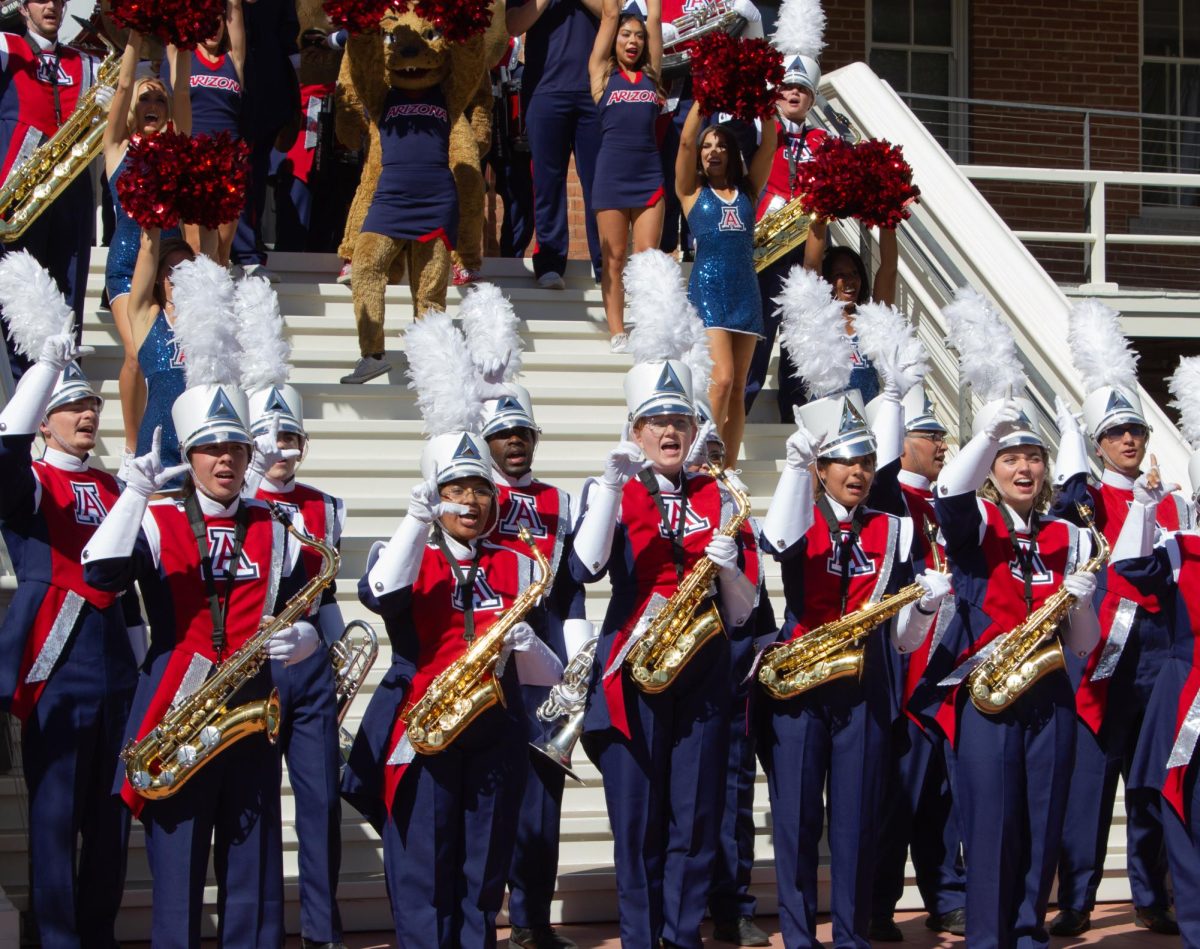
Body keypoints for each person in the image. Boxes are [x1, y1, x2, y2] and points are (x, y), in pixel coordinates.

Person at [341, 313, 563, 946]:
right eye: (457, 489)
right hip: (423, 726)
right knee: (420, 869)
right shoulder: (407, 550)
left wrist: (531, 646)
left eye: (480, 490)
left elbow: (544, 675)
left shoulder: (517, 560)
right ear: (435, 493)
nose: (472, 501)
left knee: (483, 870)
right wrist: (418, 518)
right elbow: (382, 592)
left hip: (496, 727)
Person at [82, 353, 316, 948]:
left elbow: (311, 603)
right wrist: (133, 496)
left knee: (254, 873)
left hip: (250, 708)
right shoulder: (158, 517)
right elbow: (101, 577)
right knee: (178, 871)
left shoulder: (276, 522)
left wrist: (304, 640)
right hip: (175, 709)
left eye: (236, 449)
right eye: (212, 450)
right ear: (189, 456)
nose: (225, 461)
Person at [571, 340, 759, 948]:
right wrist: (607, 485)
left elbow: (743, 608)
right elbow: (585, 566)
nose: (670, 432)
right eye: (657, 422)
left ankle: (681, 937)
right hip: (631, 671)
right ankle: (639, 938)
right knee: (636, 821)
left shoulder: (722, 493)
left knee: (696, 818)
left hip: (701, 668)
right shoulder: (616, 487)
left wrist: (731, 570)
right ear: (636, 430)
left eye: (681, 420)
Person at [756, 367, 949, 946]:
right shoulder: (801, 513)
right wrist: (794, 468)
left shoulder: (894, 529)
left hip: (864, 684)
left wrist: (923, 607)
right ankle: (797, 935)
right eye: (845, 461)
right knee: (796, 818)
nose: (860, 472)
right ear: (822, 469)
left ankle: (852, 934)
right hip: (798, 681)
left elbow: (905, 638)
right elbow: (778, 543)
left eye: (866, 461)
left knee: (857, 819)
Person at [913, 394, 1101, 948]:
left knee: (1043, 826)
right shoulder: (980, 521)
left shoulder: (1068, 536)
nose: (1024, 468)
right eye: (1011, 458)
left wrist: (1083, 603)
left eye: (1034, 457)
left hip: (1050, 694)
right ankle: (989, 937)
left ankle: (1027, 934)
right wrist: (989, 432)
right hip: (985, 696)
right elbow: (948, 490)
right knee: (992, 825)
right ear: (993, 470)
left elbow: (1082, 642)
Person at [1049, 307, 1189, 937]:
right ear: (1099, 442)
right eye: (1116, 433)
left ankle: (1150, 892)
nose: (1129, 441)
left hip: (1160, 657)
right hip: (1100, 658)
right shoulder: (1079, 499)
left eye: (1136, 431)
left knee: (1152, 784)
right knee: (1088, 789)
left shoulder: (1170, 501)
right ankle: (1076, 898)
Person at [0, 310, 138, 949]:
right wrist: (47, 369)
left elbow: (131, 592)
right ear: (47, 418)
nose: (89, 415)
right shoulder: (29, 481)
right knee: (54, 822)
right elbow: (5, 440)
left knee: (110, 821)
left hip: (115, 665)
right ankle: (57, 940)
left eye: (93, 405)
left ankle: (97, 935)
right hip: (54, 663)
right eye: (74, 406)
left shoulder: (115, 484)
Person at [481, 383, 587, 949]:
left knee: (544, 798)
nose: (514, 443)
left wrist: (576, 661)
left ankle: (532, 923)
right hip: (490, 656)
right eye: (502, 434)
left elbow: (571, 588)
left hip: (545, 650)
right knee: (489, 793)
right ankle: (477, 920)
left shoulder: (560, 501)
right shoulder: (471, 495)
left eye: (523, 433)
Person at [247, 383, 349, 949]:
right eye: (269, 436)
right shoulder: (235, 500)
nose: (280, 448)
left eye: (290, 437)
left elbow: (326, 594)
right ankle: (262, 930)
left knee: (322, 802)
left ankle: (320, 929)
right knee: (256, 802)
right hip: (253, 668)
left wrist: (332, 648)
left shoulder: (326, 505)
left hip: (310, 670)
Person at [866, 388, 967, 940]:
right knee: (895, 795)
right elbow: (880, 474)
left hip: (948, 669)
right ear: (902, 444)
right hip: (904, 668)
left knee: (942, 797)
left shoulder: (946, 501)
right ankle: (880, 904)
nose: (942, 445)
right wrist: (894, 400)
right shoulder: (889, 498)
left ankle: (948, 895)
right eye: (930, 436)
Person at [1109, 402, 1200, 946]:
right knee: (1183, 812)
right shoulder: (1183, 544)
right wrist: (1143, 511)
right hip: (1187, 688)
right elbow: (1128, 572)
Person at [695, 418, 774, 949]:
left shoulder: (736, 517)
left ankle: (732, 906)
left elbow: (756, 609)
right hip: (667, 674)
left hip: (727, 674)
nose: (711, 466)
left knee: (731, 796)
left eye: (718, 456)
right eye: (704, 456)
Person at [0, 0, 109, 380]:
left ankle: (62, 388)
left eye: (58, 0)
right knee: (20, 300)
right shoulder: (6, 46)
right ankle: (22, 391)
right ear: (23, 7)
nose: (51, 6)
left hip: (71, 190)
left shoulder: (86, 61)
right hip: (17, 195)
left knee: (68, 293)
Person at [103, 31, 190, 458]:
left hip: (171, 261)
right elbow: (122, 86)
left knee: (176, 357)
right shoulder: (117, 149)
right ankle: (132, 446)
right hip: (125, 262)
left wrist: (184, 43)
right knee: (137, 355)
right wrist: (135, 40)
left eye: (158, 99)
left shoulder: (178, 145)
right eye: (144, 100)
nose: (151, 105)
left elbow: (184, 94)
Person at [675, 102, 775, 467]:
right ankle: (701, 459)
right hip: (709, 292)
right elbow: (685, 142)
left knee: (738, 391)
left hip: (746, 293)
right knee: (721, 379)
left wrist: (762, 104)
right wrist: (704, 100)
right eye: (707, 147)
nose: (712, 152)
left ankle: (727, 469)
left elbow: (769, 146)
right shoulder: (690, 192)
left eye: (720, 146)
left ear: (733, 154)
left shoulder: (748, 192)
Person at [745, 55, 829, 419]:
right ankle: (740, 408)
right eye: (787, 87)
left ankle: (795, 415)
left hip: (805, 248)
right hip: (759, 247)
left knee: (799, 337)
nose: (794, 94)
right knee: (758, 333)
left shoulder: (824, 140)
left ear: (811, 99)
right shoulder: (757, 130)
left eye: (802, 89)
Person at [506, 0, 603, 290]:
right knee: (547, 182)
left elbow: (617, 10)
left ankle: (605, 264)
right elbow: (512, 25)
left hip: (594, 89)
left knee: (599, 183)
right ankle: (549, 262)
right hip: (545, 90)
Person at [588, 0, 663, 353]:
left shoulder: (653, 76)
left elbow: (657, 16)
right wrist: (613, 16)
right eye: (626, 35)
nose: (632, 41)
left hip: (649, 175)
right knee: (615, 257)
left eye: (638, 36)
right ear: (615, 39)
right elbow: (608, 14)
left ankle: (648, 325)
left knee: (648, 258)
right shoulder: (602, 75)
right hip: (611, 176)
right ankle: (618, 330)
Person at [231, 0, 300, 283]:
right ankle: (240, 247)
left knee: (253, 175)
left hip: (268, 91)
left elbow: (288, 33)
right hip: (224, 86)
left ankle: (248, 246)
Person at [123, 228, 196, 494]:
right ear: (158, 278)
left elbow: (214, 255)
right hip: (157, 443)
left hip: (200, 444)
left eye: (187, 270)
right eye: (172, 271)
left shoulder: (209, 322)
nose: (180, 277)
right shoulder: (148, 317)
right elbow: (146, 250)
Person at [173, 0, 246, 264]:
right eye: (205, 20)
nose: (212, 27)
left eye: (217, 21)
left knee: (221, 252)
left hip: (228, 164)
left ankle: (218, 303)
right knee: (195, 247)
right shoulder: (184, 56)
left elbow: (235, 8)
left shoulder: (234, 59)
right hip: (192, 161)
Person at [801, 218, 897, 407]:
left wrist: (889, 215)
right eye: (840, 275)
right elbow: (811, 265)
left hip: (868, 424)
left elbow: (889, 268)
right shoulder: (818, 318)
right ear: (826, 281)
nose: (850, 281)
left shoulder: (873, 319)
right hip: (826, 425)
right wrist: (820, 213)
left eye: (854, 273)